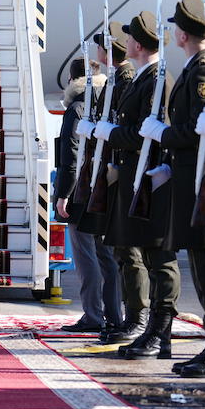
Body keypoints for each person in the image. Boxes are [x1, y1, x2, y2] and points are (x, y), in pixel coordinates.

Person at [142, 0, 205, 377]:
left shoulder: (202, 71)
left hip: (202, 180)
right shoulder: (194, 67)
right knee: (201, 265)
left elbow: (200, 133)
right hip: (188, 177)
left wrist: (165, 134)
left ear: (181, 33)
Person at [91, 10, 175, 359]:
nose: (124, 42)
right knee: (136, 254)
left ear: (137, 44)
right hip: (131, 176)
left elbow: (148, 134)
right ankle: (145, 324)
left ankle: (155, 329)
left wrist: (112, 134)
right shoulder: (144, 78)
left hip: (149, 180)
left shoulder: (155, 80)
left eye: (129, 38)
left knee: (157, 260)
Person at [75, 22, 134, 343]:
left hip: (113, 175)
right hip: (103, 173)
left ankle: (118, 318)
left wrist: (100, 131)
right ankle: (114, 318)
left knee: (114, 255)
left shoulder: (124, 82)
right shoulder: (114, 81)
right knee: (109, 253)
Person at [53, 57, 114, 333]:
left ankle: (92, 316)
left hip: (80, 191)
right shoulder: (107, 104)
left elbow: (71, 156)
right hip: (104, 188)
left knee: (86, 257)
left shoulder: (76, 108)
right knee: (106, 257)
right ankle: (114, 315)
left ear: (72, 79)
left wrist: (62, 193)